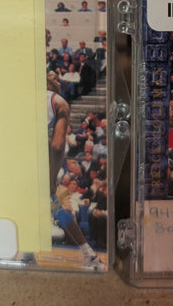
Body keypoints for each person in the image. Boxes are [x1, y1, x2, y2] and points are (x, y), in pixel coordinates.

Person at [46, 71, 104, 270]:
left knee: (54, 207)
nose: (58, 80)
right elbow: (57, 146)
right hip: (40, 162)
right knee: (52, 205)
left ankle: (89, 254)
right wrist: (52, 175)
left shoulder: (26, 98)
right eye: (53, 77)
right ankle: (89, 254)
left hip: (25, 159)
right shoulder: (58, 102)